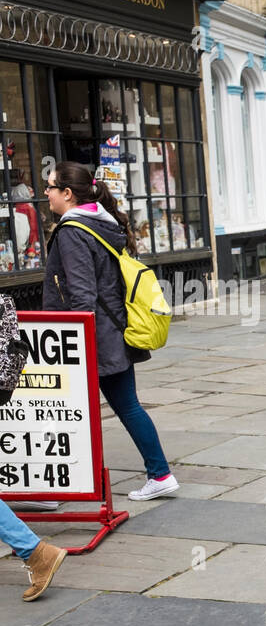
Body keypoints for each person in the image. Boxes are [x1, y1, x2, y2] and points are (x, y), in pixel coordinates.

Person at [42, 161, 179, 501]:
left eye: (50, 186)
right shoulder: (98, 222)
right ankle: (159, 473)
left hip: (88, 337)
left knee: (64, 409)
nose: (45, 192)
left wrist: (75, 340)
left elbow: (83, 293)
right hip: (110, 331)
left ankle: (59, 486)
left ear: (68, 193)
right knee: (126, 405)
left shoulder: (73, 231)